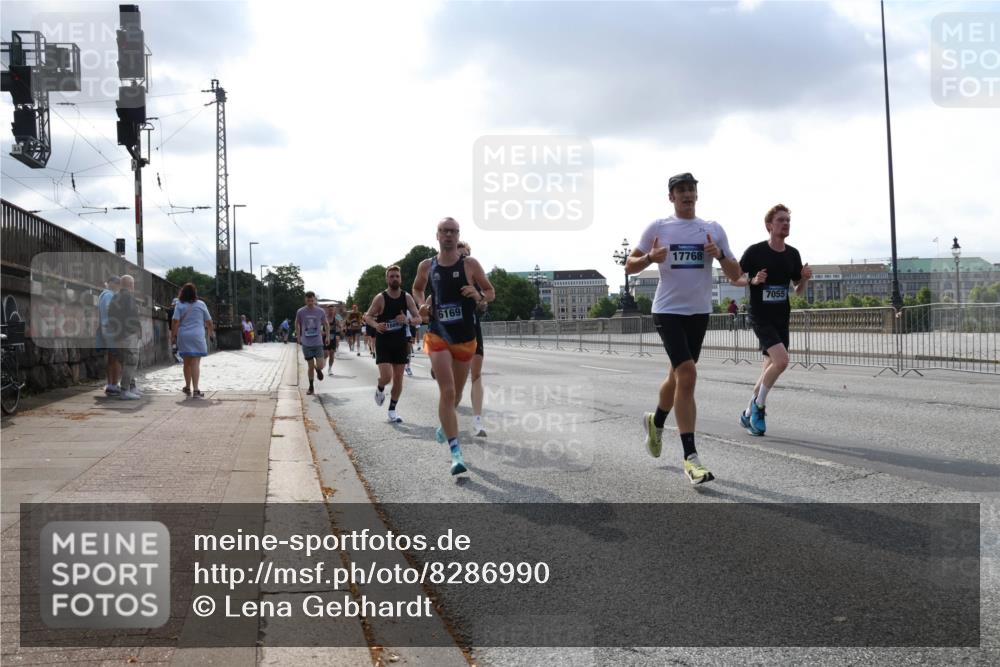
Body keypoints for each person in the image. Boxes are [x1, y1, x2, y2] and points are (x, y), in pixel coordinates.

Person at [626, 173, 741, 485]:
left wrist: (718, 254)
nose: (687, 195)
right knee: (688, 374)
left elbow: (735, 273)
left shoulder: (712, 229)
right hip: (667, 311)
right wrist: (650, 257)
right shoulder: (659, 227)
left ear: (696, 195)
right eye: (681, 191)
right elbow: (629, 264)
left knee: (676, 376)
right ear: (671, 197)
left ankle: (656, 420)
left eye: (691, 189)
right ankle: (691, 458)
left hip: (698, 313)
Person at [413, 217, 495, 475]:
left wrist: (479, 296)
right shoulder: (427, 265)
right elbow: (417, 289)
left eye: (453, 231)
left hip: (465, 337)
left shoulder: (469, 264)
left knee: (457, 395)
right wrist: (422, 306)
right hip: (438, 335)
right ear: (436, 235)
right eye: (444, 231)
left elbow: (490, 292)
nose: (448, 235)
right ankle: (456, 452)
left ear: (458, 236)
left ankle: (444, 424)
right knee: (447, 391)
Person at [732, 204, 812, 436]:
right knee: (782, 361)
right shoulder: (755, 252)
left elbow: (797, 290)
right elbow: (733, 278)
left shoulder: (793, 254)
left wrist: (804, 278)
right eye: (781, 220)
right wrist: (753, 281)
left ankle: (747, 414)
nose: (786, 223)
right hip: (760, 316)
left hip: (781, 318)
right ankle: (759, 407)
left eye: (788, 220)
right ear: (769, 225)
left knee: (769, 368)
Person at [365, 265, 421, 423]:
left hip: (400, 342)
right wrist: (376, 325)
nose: (395, 278)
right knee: (387, 377)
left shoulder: (407, 297)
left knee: (398, 379)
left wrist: (408, 320)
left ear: (400, 278)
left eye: (397, 276)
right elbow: (367, 316)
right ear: (387, 279)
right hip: (384, 341)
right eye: (391, 276)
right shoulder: (381, 298)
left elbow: (419, 318)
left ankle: (392, 410)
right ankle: (380, 386)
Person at [456, 241, 488, 436]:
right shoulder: (443, 278)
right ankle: (448, 415)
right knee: (455, 383)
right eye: (461, 254)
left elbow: (484, 307)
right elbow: (428, 305)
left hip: (473, 331)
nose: (464, 258)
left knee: (476, 375)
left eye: (467, 254)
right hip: (450, 336)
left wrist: (478, 297)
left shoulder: (476, 281)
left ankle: (477, 421)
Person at [171, 282, 215, 398]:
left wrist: (173, 336)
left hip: (184, 336)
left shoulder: (179, 304)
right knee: (195, 362)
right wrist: (211, 332)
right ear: (195, 293)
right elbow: (209, 321)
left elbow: (175, 321)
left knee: (186, 363)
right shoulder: (201, 304)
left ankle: (187, 387)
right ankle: (196, 390)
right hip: (197, 336)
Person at [109, 274, 142, 401]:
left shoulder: (115, 297)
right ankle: (125, 390)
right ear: (131, 285)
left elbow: (111, 316)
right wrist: (137, 330)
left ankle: (131, 387)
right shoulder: (129, 297)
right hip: (129, 334)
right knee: (131, 361)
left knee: (126, 361)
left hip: (118, 334)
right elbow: (132, 316)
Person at [295, 291, 329, 395]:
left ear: (314, 300)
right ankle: (311, 387)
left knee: (321, 365)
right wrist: (298, 336)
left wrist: (327, 336)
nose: (310, 302)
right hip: (306, 343)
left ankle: (318, 369)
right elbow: (297, 323)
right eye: (308, 300)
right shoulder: (301, 311)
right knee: (310, 366)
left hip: (318, 342)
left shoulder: (320, 311)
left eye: (312, 300)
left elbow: (326, 324)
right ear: (305, 300)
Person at [96, 275, 121, 395]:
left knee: (111, 358)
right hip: (111, 329)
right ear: (112, 283)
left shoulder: (102, 295)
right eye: (117, 284)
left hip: (105, 328)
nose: (118, 287)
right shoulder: (109, 295)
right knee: (115, 358)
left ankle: (110, 383)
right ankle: (113, 384)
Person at [324, 304, 339, 372]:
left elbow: (341, 326)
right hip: (324, 338)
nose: (331, 311)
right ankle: (323, 364)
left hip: (333, 339)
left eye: (332, 310)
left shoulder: (336, 319)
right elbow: (320, 329)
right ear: (327, 310)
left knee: (332, 354)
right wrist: (325, 333)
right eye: (330, 310)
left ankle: (330, 369)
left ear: (334, 310)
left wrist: (341, 328)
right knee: (326, 354)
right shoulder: (324, 318)